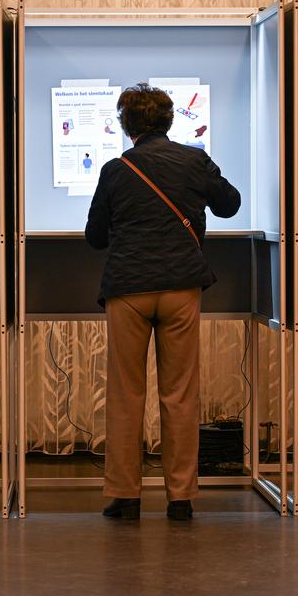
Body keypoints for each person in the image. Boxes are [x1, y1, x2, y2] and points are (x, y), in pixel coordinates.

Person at [84, 83, 241, 521]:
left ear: (125, 124)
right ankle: (181, 497)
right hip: (180, 288)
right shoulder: (194, 160)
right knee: (180, 394)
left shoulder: (116, 169)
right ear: (170, 121)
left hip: (128, 290)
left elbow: (95, 237)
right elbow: (230, 204)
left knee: (126, 395)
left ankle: (124, 495)